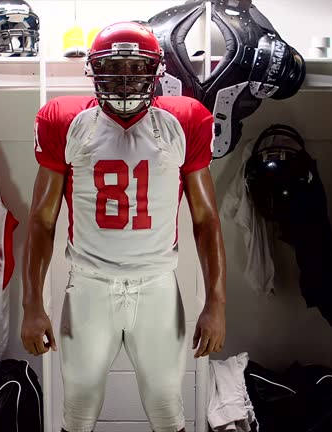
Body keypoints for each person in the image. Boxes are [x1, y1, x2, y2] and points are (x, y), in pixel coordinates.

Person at [20, 21, 226, 432]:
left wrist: (217, 304)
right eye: (115, 68)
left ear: (155, 71)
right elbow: (42, 220)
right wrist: (31, 304)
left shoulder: (184, 120)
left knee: (167, 410)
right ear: (94, 70)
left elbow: (205, 220)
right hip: (89, 286)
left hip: (157, 287)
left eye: (136, 67)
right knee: (78, 411)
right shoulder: (67, 121)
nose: (126, 78)